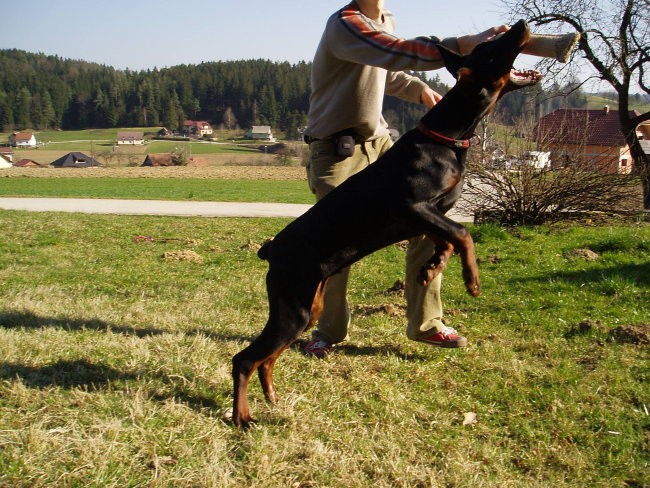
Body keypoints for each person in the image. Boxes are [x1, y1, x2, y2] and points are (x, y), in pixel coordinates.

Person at [302, 0, 509, 358]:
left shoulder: (386, 20)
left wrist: (420, 91)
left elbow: (388, 70)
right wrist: (465, 44)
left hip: (380, 143)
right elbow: (395, 52)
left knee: (428, 221)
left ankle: (427, 324)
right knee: (335, 244)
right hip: (336, 152)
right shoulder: (345, 24)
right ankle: (328, 332)